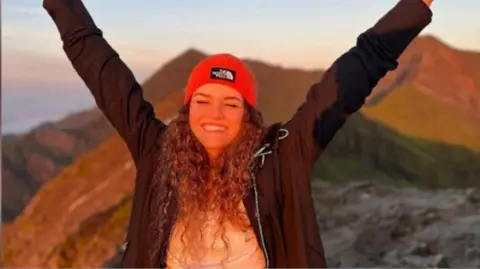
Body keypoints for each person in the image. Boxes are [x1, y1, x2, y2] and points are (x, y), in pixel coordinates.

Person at [43, 0, 433, 268]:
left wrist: (415, 6)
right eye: (202, 101)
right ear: (187, 108)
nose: (215, 114)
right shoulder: (156, 150)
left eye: (231, 104)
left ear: (248, 116)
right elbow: (98, 65)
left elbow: (352, 75)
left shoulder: (281, 157)